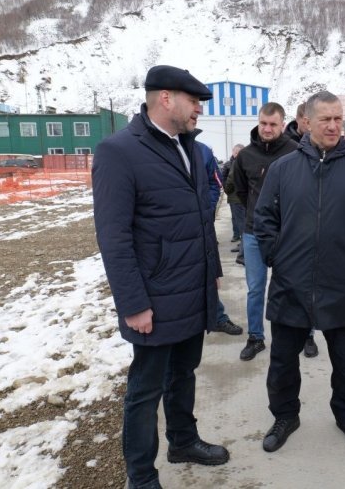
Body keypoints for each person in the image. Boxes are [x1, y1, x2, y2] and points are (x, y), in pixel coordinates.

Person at [92, 65, 230, 489]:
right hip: (153, 297)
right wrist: (133, 304)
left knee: (184, 373)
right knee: (145, 390)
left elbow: (200, 218)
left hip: (192, 289)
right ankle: (141, 475)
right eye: (194, 102)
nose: (199, 111)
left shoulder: (189, 147)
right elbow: (113, 237)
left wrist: (213, 272)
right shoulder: (119, 151)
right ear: (166, 98)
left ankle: (183, 441)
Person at [253, 90, 345, 453]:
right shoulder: (283, 169)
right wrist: (277, 257)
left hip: (340, 284)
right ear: (306, 122)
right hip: (290, 283)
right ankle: (285, 415)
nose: (333, 126)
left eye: (338, 118)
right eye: (325, 119)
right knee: (283, 361)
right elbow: (264, 219)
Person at [233, 103, 298, 360]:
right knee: (256, 289)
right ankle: (255, 337)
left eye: (273, 124)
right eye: (263, 123)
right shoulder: (246, 156)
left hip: (287, 234)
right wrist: (257, 214)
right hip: (254, 234)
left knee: (294, 287)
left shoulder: (295, 152)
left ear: (283, 125)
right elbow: (241, 191)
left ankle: (304, 334)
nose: (267, 129)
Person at [278, 101, 320, 358]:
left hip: (314, 233)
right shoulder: (286, 150)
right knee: (290, 292)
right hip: (288, 236)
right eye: (307, 120)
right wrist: (274, 249)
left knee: (312, 290)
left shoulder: (320, 149)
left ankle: (309, 335)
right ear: (302, 120)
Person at [196, 135, 243, 336]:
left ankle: (218, 317)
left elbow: (216, 182)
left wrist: (205, 209)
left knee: (208, 272)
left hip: (201, 226)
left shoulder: (202, 151)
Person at [222, 144, 246, 264]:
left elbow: (230, 180)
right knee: (240, 222)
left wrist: (227, 190)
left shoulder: (237, 163)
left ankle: (243, 252)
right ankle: (242, 245)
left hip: (236, 198)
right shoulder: (245, 161)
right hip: (242, 198)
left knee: (242, 224)